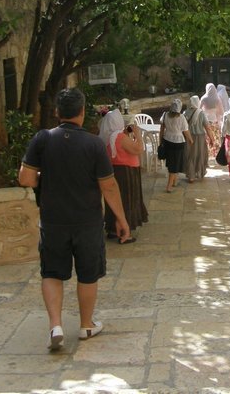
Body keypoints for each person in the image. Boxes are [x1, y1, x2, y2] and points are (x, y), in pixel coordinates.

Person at [19, 88, 130, 352]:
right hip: (87, 221)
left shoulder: (42, 139)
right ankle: (86, 325)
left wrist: (43, 177)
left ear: (57, 112)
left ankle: (55, 326)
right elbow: (108, 186)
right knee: (88, 274)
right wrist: (121, 219)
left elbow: (25, 178)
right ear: (81, 112)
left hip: (53, 220)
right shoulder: (93, 144)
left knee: (51, 273)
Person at [99, 109, 146, 237]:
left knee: (115, 201)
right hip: (127, 172)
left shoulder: (107, 136)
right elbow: (138, 149)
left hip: (114, 170)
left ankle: (112, 229)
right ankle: (125, 232)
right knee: (127, 200)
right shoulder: (119, 137)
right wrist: (138, 135)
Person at [159, 98, 193, 192]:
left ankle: (174, 181)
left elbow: (161, 130)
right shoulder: (181, 117)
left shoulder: (165, 115)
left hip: (167, 140)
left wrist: (160, 141)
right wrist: (190, 140)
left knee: (171, 162)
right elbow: (185, 131)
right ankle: (169, 186)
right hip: (178, 142)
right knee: (175, 164)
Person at [184, 95, 210, 182]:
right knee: (200, 155)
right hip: (200, 138)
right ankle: (200, 173)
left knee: (190, 155)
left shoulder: (185, 112)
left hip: (188, 137)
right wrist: (212, 138)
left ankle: (191, 176)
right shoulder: (201, 113)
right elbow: (207, 127)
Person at [200, 83, 224, 159]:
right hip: (215, 121)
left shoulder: (203, 98)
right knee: (216, 138)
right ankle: (216, 154)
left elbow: (199, 109)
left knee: (207, 138)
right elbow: (221, 112)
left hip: (205, 122)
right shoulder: (217, 99)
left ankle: (207, 154)